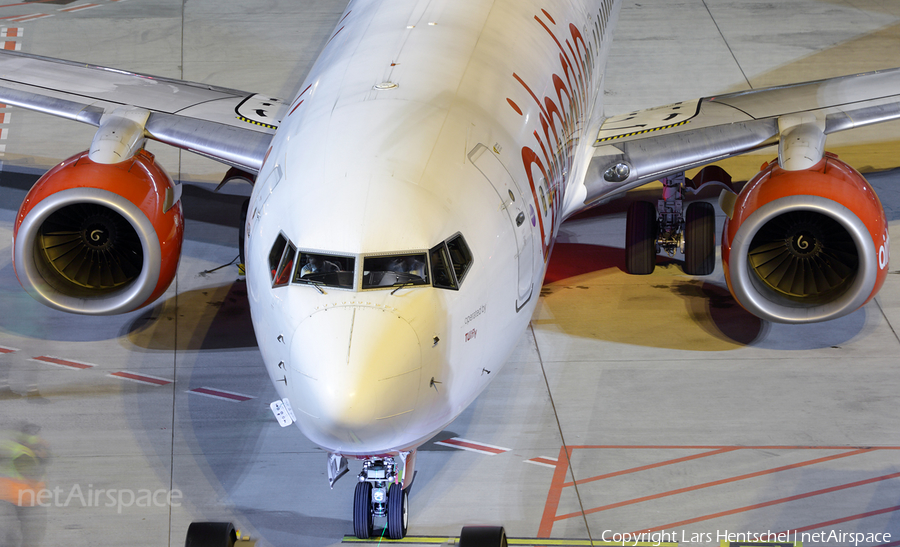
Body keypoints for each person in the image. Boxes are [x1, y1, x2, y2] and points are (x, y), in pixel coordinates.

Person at [0, 423, 49, 547]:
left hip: (14, 499)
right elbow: (33, 476)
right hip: (23, 500)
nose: (39, 440)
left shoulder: (15, 448)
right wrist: (41, 459)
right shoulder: (22, 454)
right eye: (36, 438)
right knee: (29, 538)